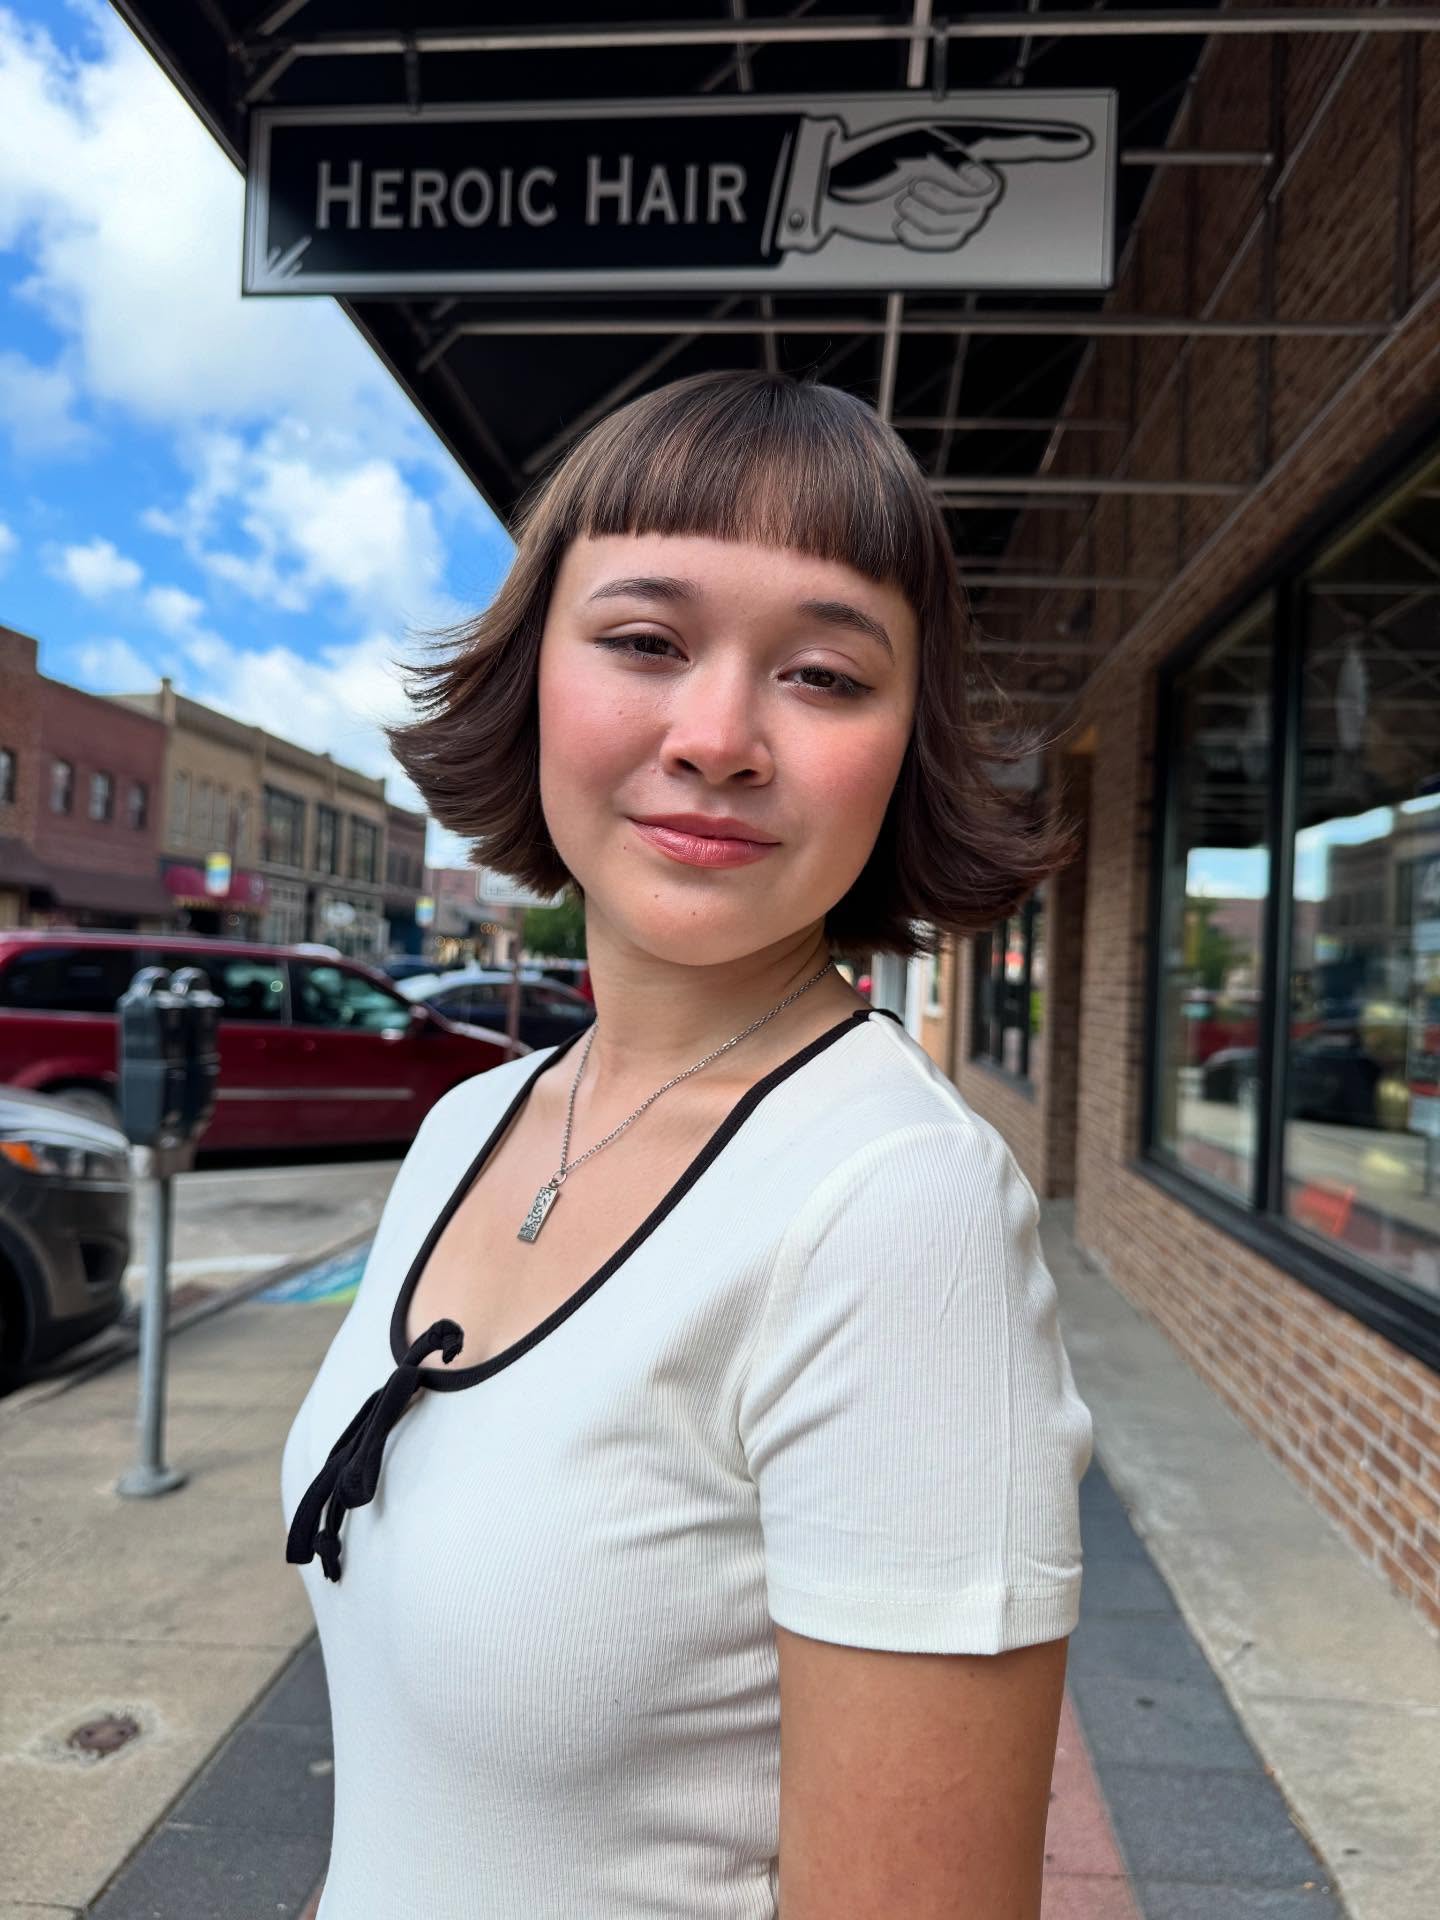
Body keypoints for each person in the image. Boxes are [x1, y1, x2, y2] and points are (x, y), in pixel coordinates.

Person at [281, 369, 1094, 1920]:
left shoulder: (892, 1206)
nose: (718, 736)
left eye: (827, 676)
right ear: (531, 679)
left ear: (906, 743)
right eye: (646, 642)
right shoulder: (468, 1124)